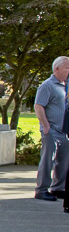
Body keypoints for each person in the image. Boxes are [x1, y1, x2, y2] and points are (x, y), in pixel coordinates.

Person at [34, 56, 69, 201]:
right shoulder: (47, 85)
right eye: (68, 68)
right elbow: (38, 106)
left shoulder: (64, 85)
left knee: (63, 161)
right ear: (57, 69)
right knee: (48, 160)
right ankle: (41, 190)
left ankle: (58, 188)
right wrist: (46, 126)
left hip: (64, 131)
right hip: (51, 130)